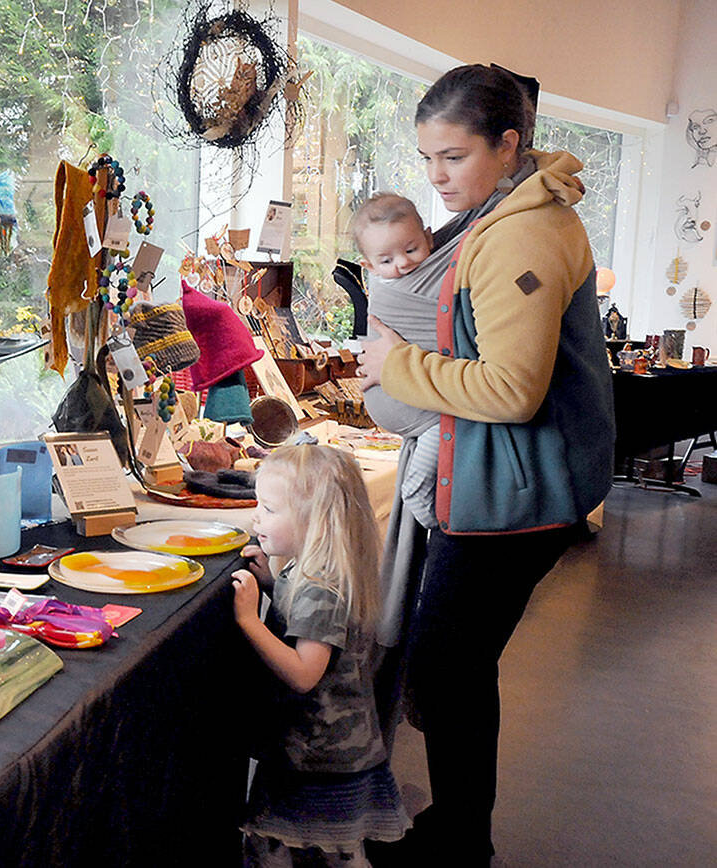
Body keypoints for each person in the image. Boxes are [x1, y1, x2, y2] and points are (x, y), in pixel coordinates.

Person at [357, 64, 614, 865]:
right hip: (502, 477)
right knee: (454, 666)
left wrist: (392, 366)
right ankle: (459, 831)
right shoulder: (501, 214)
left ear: (508, 145)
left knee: (446, 666)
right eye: (427, 157)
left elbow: (509, 389)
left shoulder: (523, 232)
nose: (436, 177)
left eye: (454, 156)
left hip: (519, 488)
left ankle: (461, 843)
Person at [232, 439, 410, 867]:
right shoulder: (313, 572)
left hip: (319, 755)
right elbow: (310, 627)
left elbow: (304, 673)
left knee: (281, 847)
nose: (256, 517)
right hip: (329, 749)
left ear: (317, 521)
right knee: (331, 850)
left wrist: (249, 620)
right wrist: (274, 587)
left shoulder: (320, 588)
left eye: (270, 509)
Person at [350, 192, 443, 531]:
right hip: (411, 400)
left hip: (409, 393)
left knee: (449, 420)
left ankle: (418, 483)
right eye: (386, 261)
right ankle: (417, 487)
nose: (401, 265)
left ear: (429, 238)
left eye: (411, 250)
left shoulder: (428, 275)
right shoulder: (385, 285)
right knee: (448, 419)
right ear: (369, 267)